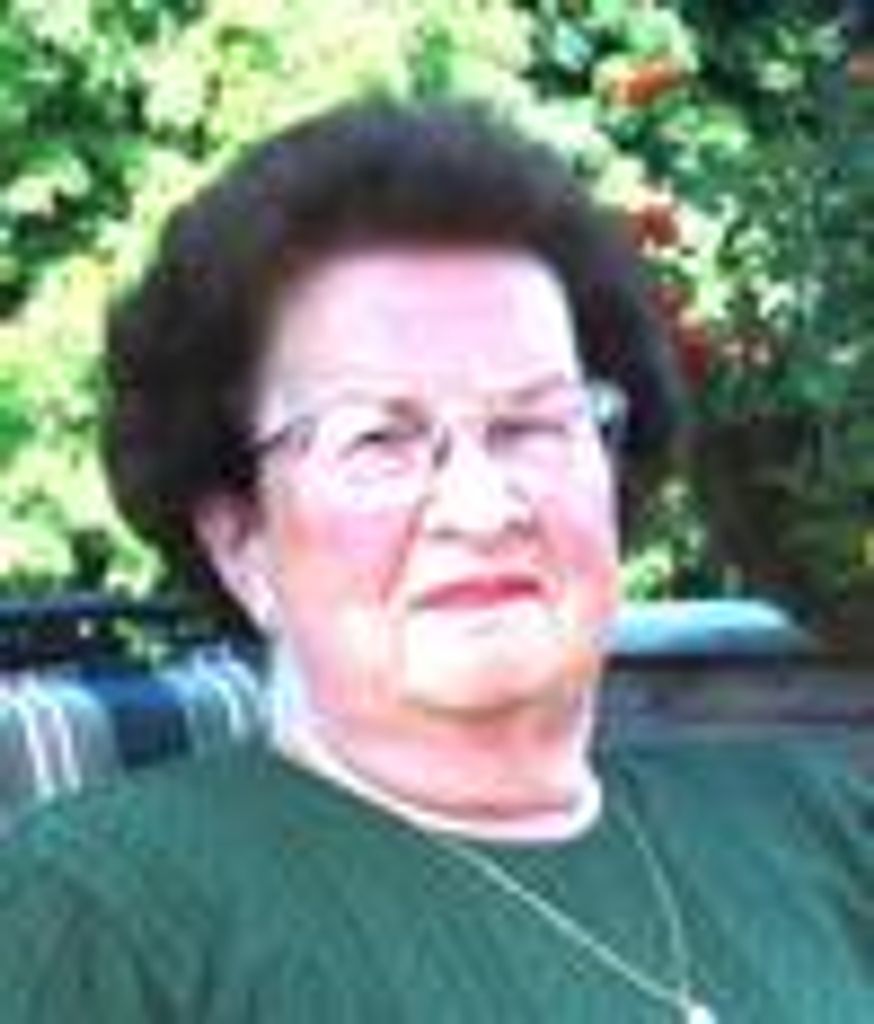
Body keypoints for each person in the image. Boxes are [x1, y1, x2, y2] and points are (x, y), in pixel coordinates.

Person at [0, 99, 870, 1023]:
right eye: (379, 439)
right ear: (241, 541)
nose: (482, 508)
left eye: (534, 424)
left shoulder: (815, 826)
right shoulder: (101, 914)